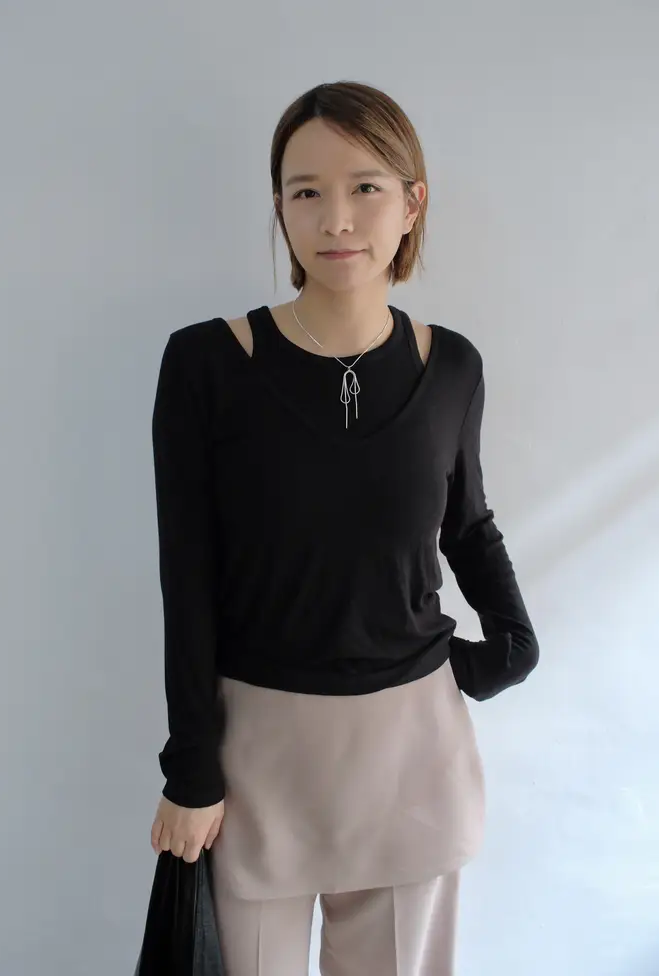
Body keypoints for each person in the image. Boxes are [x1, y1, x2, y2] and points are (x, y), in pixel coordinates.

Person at [148, 80, 539, 976]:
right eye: (305, 191)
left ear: (412, 203)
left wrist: (511, 650)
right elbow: (187, 574)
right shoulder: (207, 362)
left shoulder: (452, 366)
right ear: (279, 207)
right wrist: (190, 768)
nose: (336, 219)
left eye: (365, 187)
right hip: (257, 752)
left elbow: (467, 526)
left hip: (411, 751)